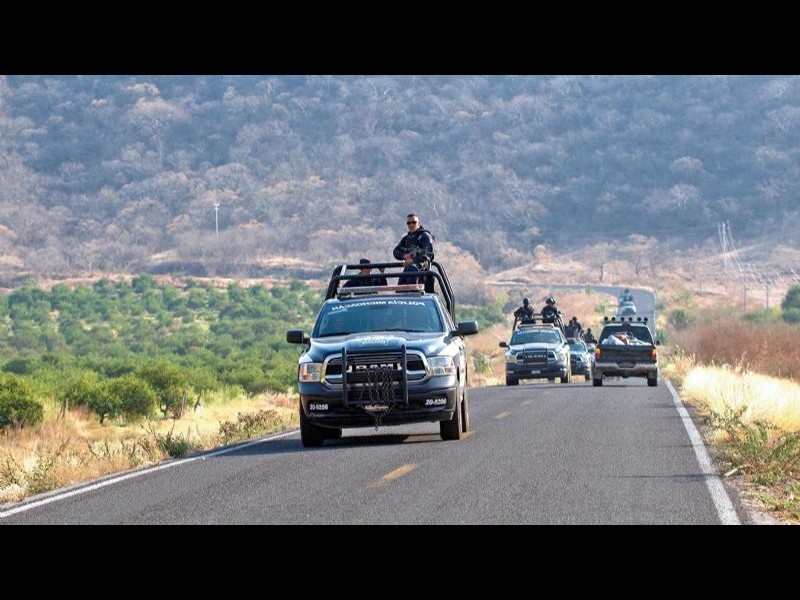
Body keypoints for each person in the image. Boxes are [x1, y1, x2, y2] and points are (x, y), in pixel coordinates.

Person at [393, 212, 435, 291]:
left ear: (419, 223)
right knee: (400, 291)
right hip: (408, 269)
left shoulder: (425, 236)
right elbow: (395, 251)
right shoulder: (406, 238)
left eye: (414, 222)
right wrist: (404, 256)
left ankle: (415, 291)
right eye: (409, 223)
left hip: (422, 270)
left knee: (412, 269)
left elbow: (428, 254)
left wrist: (413, 260)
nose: (411, 225)